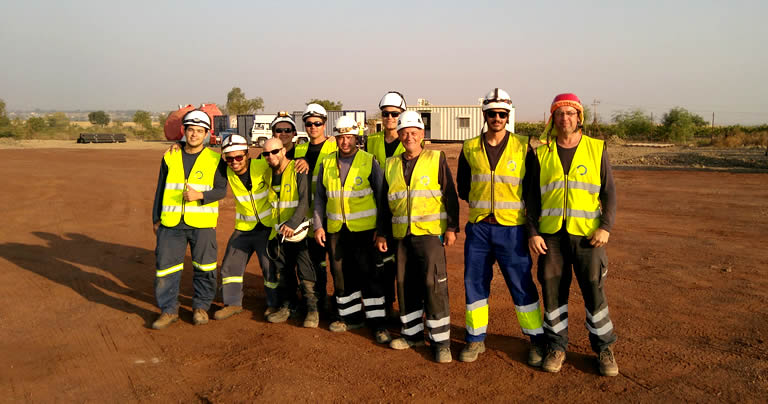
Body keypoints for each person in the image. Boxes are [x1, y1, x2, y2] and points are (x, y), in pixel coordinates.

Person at [527, 93, 619, 376]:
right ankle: (556, 346)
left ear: (579, 117)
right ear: (552, 119)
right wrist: (533, 232)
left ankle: (604, 348)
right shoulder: (541, 153)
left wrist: (605, 227)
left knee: (593, 289)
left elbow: (609, 192)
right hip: (551, 237)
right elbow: (532, 199)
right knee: (552, 291)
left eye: (570, 113)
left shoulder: (595, 148)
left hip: (588, 236)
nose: (565, 118)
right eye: (559, 113)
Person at [455, 88, 546, 364]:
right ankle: (475, 339)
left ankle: (537, 340)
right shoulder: (470, 147)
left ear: (508, 116)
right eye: (492, 113)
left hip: (513, 230)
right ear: (485, 115)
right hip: (480, 229)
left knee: (521, 284)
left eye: (502, 114)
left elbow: (532, 191)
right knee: (474, 284)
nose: (497, 118)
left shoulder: (522, 146)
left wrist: (531, 229)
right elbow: (463, 187)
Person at [376, 111, 459, 363]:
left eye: (414, 132)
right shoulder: (391, 164)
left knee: (434, 286)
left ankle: (441, 342)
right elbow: (384, 203)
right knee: (405, 285)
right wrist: (382, 233)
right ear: (399, 135)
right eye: (404, 133)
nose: (409, 137)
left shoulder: (436, 158)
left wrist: (451, 228)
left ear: (422, 134)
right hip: (401, 236)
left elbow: (450, 194)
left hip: (429, 235)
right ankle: (411, 334)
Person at [313, 115, 389, 343]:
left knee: (370, 275)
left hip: (365, 231)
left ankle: (378, 324)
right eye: (341, 137)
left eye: (349, 137)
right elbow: (319, 198)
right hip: (336, 230)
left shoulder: (368, 161)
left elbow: (381, 197)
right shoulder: (327, 162)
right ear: (335, 138)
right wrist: (318, 226)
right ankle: (350, 316)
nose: (345, 142)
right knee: (341, 275)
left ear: (356, 138)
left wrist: (381, 230)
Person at [150, 110, 227, 329]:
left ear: (206, 134)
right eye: (191, 130)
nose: (194, 135)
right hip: (171, 223)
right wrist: (156, 217)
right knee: (166, 268)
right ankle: (168, 310)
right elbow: (161, 188)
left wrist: (200, 195)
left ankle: (201, 307)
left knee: (205, 267)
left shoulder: (215, 159)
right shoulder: (170, 156)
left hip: (202, 224)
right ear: (184, 131)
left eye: (199, 131)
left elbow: (221, 190)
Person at [214, 134, 277, 321]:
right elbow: (202, 155)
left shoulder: (263, 165)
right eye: (229, 158)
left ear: (247, 155)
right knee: (230, 265)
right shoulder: (226, 170)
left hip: (267, 228)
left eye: (239, 157)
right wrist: (180, 144)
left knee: (270, 267)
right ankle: (232, 303)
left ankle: (274, 304)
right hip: (244, 228)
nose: (234, 162)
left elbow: (284, 157)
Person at [258, 138, 317, 327]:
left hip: (298, 231)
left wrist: (292, 223)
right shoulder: (268, 173)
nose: (270, 156)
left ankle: (312, 310)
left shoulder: (298, 169)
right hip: (279, 231)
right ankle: (289, 306)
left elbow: (305, 200)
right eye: (266, 154)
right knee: (283, 270)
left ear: (283, 151)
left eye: (275, 151)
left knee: (305, 270)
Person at [293, 104, 338, 314]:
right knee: (314, 261)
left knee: (336, 263)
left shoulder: (335, 147)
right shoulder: (299, 150)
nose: (313, 127)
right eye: (309, 123)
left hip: (330, 213)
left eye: (317, 123)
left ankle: (338, 303)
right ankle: (319, 301)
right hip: (307, 215)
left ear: (324, 124)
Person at [367, 91, 408, 320]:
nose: (390, 118)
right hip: (377, 211)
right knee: (380, 262)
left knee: (401, 263)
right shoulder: (372, 141)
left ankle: (406, 309)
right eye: (386, 114)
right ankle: (386, 305)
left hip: (402, 211)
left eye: (394, 114)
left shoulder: (411, 139)